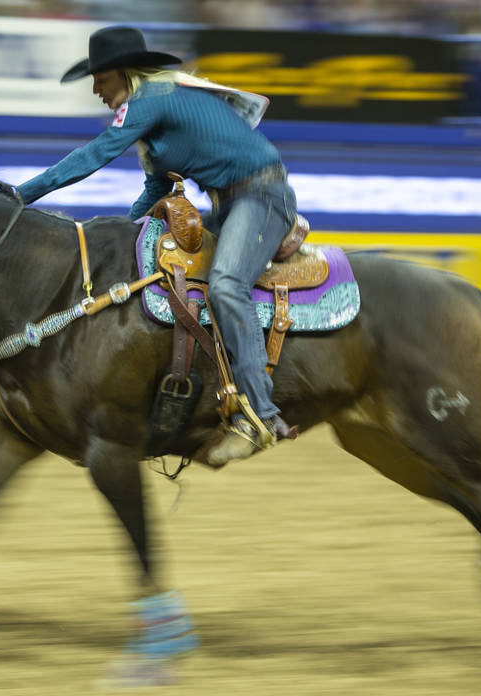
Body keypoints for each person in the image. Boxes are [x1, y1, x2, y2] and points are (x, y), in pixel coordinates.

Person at [15, 25, 297, 463]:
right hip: (233, 203)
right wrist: (115, 237)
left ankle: (259, 414)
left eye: (101, 80)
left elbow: (93, 155)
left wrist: (20, 196)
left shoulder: (149, 100)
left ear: (125, 74)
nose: (95, 90)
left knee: (225, 285)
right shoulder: (160, 109)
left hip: (261, 197)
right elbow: (152, 193)